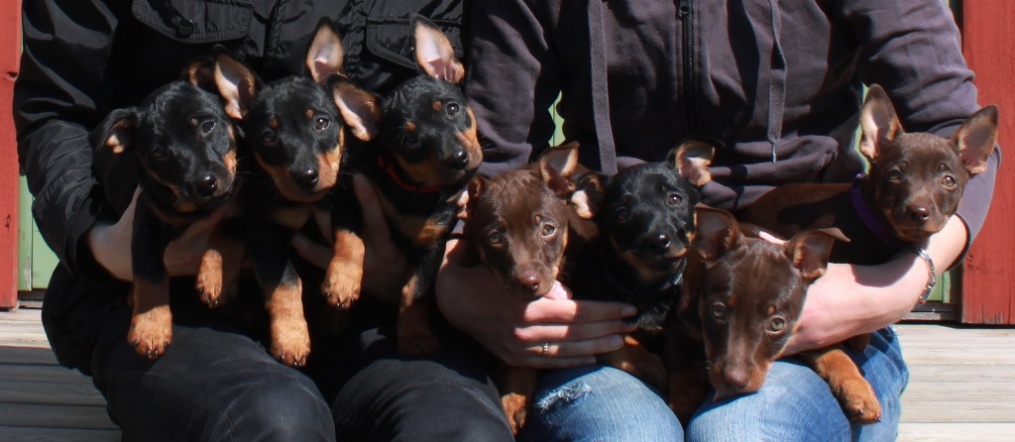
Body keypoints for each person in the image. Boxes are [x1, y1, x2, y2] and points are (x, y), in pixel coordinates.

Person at [436, 0, 1000, 440]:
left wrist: (894, 285)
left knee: (738, 432)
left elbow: (952, 127)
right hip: (612, 305)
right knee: (625, 434)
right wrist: (458, 287)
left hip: (809, 317)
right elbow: (494, 161)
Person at [15, 0, 518, 440]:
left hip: (371, 308)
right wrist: (101, 241)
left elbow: (497, 130)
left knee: (462, 429)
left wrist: (446, 264)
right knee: (274, 421)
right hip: (175, 295)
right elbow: (55, 110)